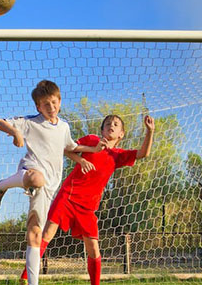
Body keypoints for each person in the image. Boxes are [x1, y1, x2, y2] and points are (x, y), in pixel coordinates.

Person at [0, 80, 104, 285]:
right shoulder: (31, 122)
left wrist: (90, 153)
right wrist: (15, 132)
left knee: (35, 232)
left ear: (59, 101)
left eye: (54, 102)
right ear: (38, 107)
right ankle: (0, 186)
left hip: (50, 185)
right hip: (30, 171)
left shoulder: (64, 127)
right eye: (45, 104)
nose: (51, 107)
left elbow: (71, 147)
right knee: (36, 178)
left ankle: (32, 282)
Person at [26, 114, 155, 285]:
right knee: (48, 233)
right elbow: (65, 148)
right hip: (69, 195)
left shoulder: (118, 155)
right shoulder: (92, 140)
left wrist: (150, 131)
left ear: (121, 134)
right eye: (108, 123)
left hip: (88, 206)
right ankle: (25, 278)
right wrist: (80, 160)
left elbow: (143, 153)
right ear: (102, 130)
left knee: (93, 247)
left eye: (116, 124)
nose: (112, 125)